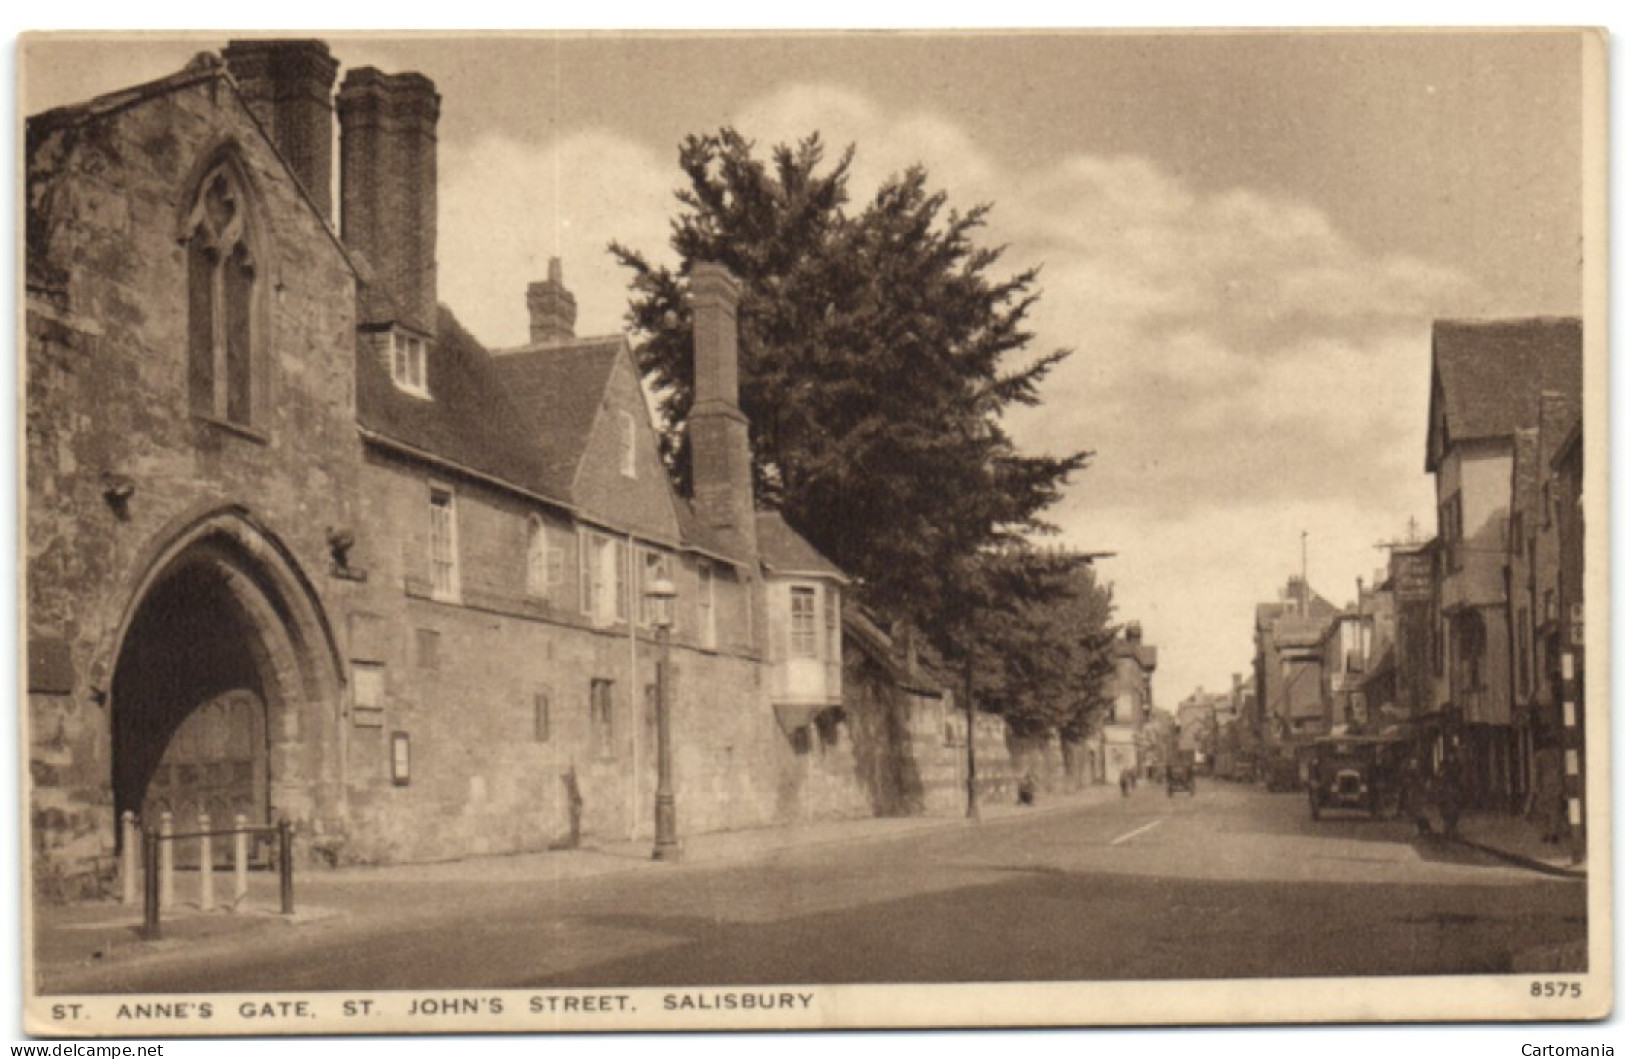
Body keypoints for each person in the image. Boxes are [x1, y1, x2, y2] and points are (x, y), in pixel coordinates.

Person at [1532, 740, 1567, 845]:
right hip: (1557, 787)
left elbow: (1536, 773)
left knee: (1544, 812)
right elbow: (1562, 771)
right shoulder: (1558, 755)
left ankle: (1545, 834)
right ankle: (1554, 834)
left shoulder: (1539, 756)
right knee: (1555, 811)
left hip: (1544, 787)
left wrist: (1536, 788)